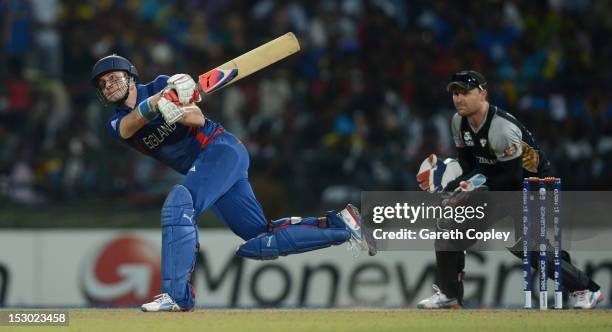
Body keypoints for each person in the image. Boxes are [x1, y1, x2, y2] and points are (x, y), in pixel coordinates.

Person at [90, 54, 376, 312]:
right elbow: (131, 125)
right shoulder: (116, 123)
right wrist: (158, 104)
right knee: (261, 239)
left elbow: (198, 118)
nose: (109, 85)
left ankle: (176, 296)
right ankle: (342, 226)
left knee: (180, 204)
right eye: (103, 84)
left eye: (114, 77)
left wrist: (177, 109)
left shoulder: (161, 83)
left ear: (131, 76)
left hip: (220, 150)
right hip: (207, 168)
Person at [416, 70, 603, 309]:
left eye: (465, 92)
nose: (459, 98)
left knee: (527, 246)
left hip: (533, 184)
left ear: (483, 94)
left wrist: (468, 189)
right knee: (448, 230)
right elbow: (467, 164)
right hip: (496, 183)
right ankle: (448, 294)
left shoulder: (501, 129)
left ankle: (586, 288)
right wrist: (453, 185)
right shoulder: (457, 121)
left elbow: (512, 178)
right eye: (455, 93)